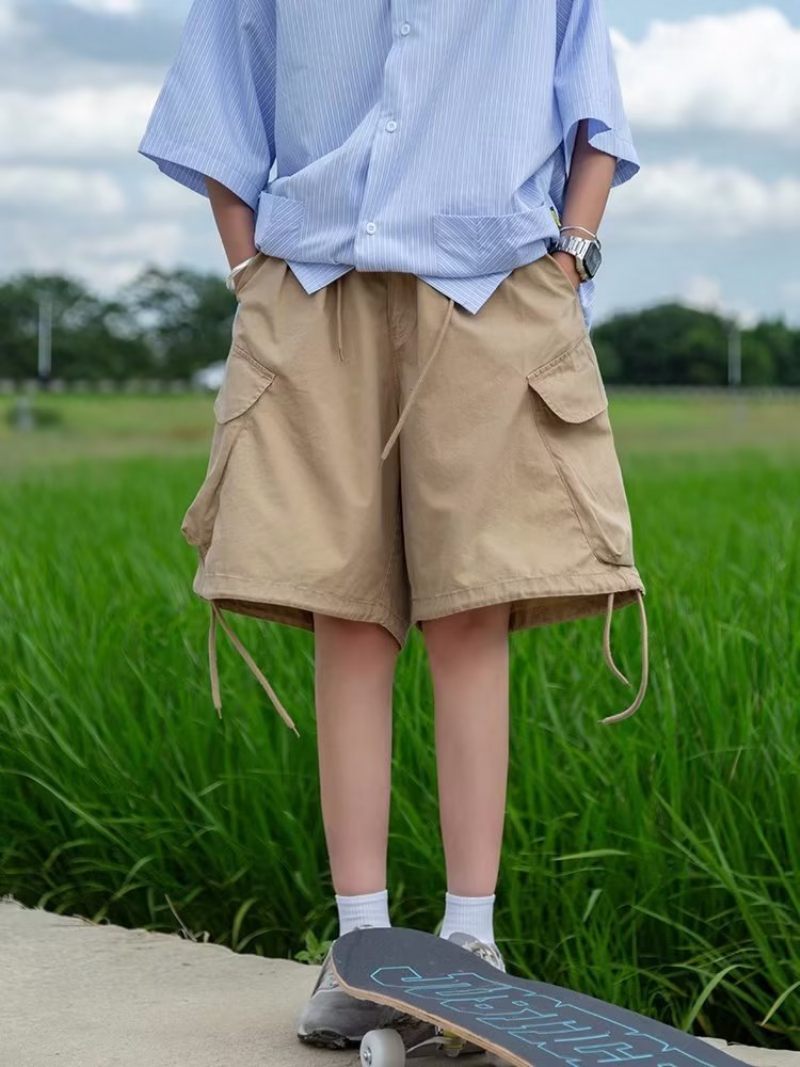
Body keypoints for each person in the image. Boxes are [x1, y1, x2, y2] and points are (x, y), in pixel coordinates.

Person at [138, 0, 649, 1050]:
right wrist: (248, 273)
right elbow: (217, 102)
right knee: (348, 618)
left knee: (471, 615)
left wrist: (569, 254)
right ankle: (360, 944)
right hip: (311, 285)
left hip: (492, 287)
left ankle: (470, 942)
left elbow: (592, 110)